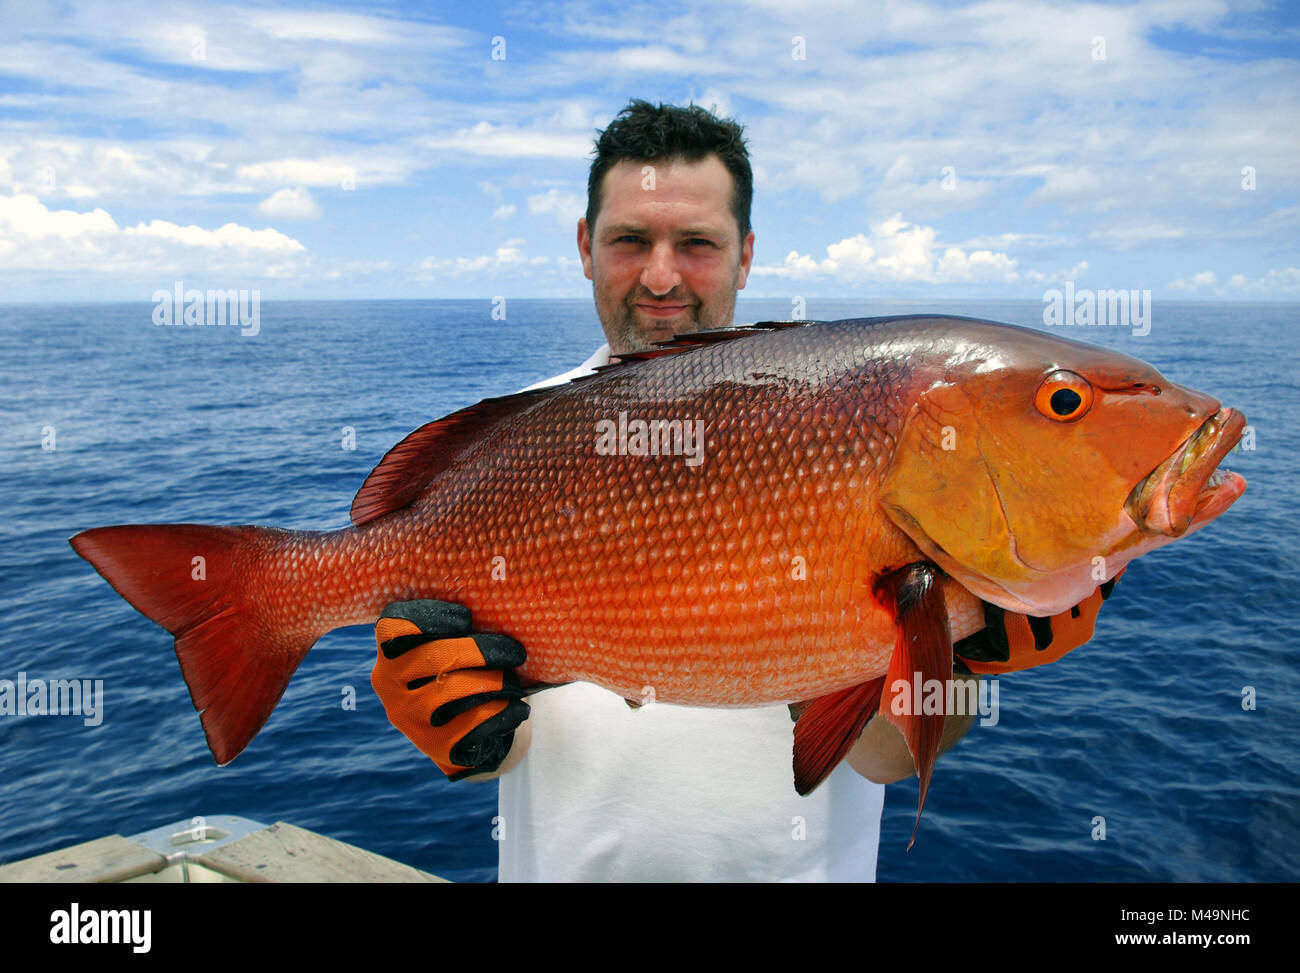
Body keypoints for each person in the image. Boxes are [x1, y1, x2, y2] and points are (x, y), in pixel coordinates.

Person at [370, 100, 1114, 882]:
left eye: (696, 243)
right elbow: (504, 753)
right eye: (630, 240)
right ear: (585, 247)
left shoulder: (837, 416)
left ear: (745, 255)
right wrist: (450, 722)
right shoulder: (512, 442)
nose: (661, 275)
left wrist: (959, 663)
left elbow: (886, 755)